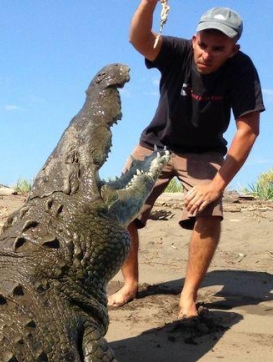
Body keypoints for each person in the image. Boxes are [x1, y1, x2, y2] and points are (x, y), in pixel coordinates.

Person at [108, 3, 265, 318]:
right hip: (157, 143)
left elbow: (247, 131)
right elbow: (138, 38)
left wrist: (216, 186)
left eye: (217, 49)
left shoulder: (242, 70)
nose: (206, 54)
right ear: (194, 40)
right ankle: (131, 283)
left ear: (234, 49)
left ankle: (188, 296)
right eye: (202, 45)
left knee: (210, 211)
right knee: (121, 209)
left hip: (204, 151)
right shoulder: (177, 51)